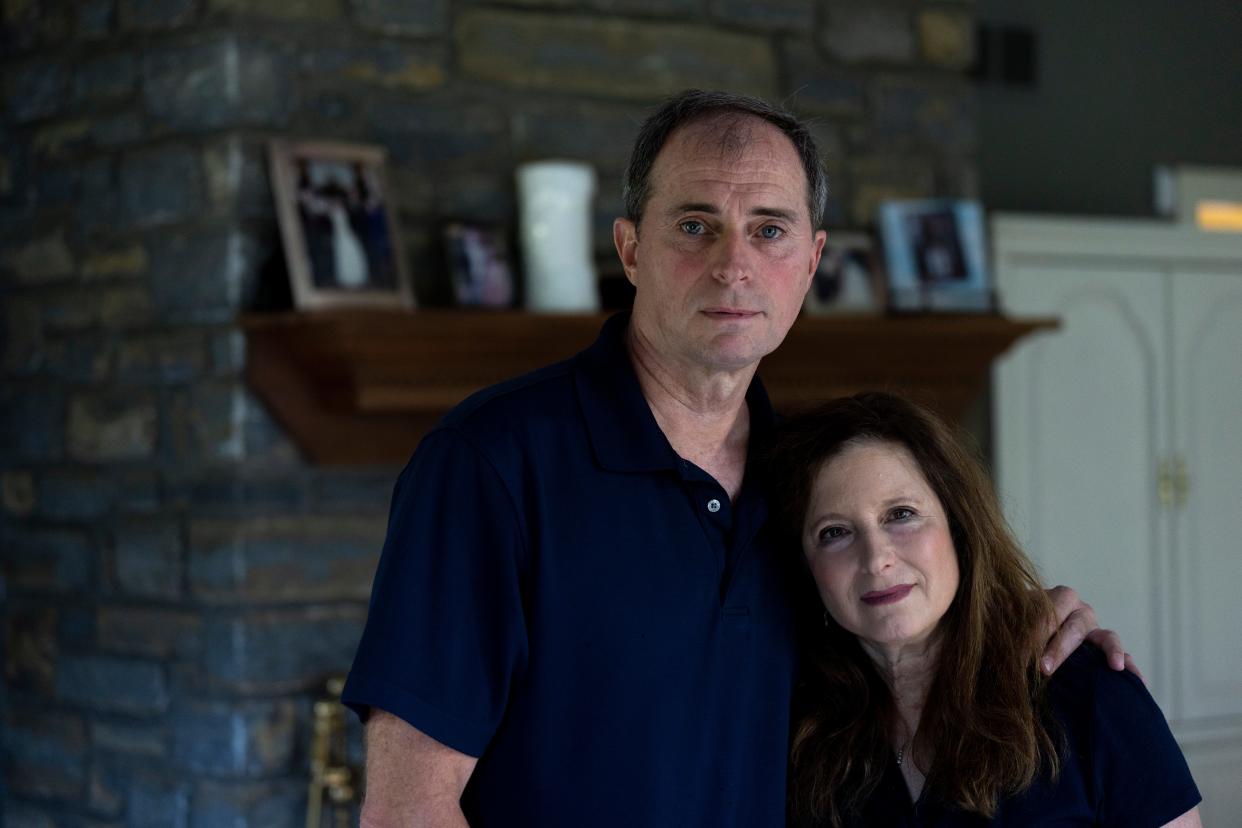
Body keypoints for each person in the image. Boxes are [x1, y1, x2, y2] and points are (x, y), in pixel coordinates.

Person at [342, 90, 1128, 827]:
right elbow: (406, 809)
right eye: (694, 225)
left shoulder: (807, 495)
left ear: (812, 262)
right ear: (630, 247)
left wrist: (1036, 625)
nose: (733, 264)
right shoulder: (491, 464)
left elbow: (909, 636)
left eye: (769, 228)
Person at [766, 392, 1201, 827]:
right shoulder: (797, 733)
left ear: (959, 528)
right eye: (835, 532)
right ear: (807, 566)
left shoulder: (1090, 693)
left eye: (901, 514)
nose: (876, 558)